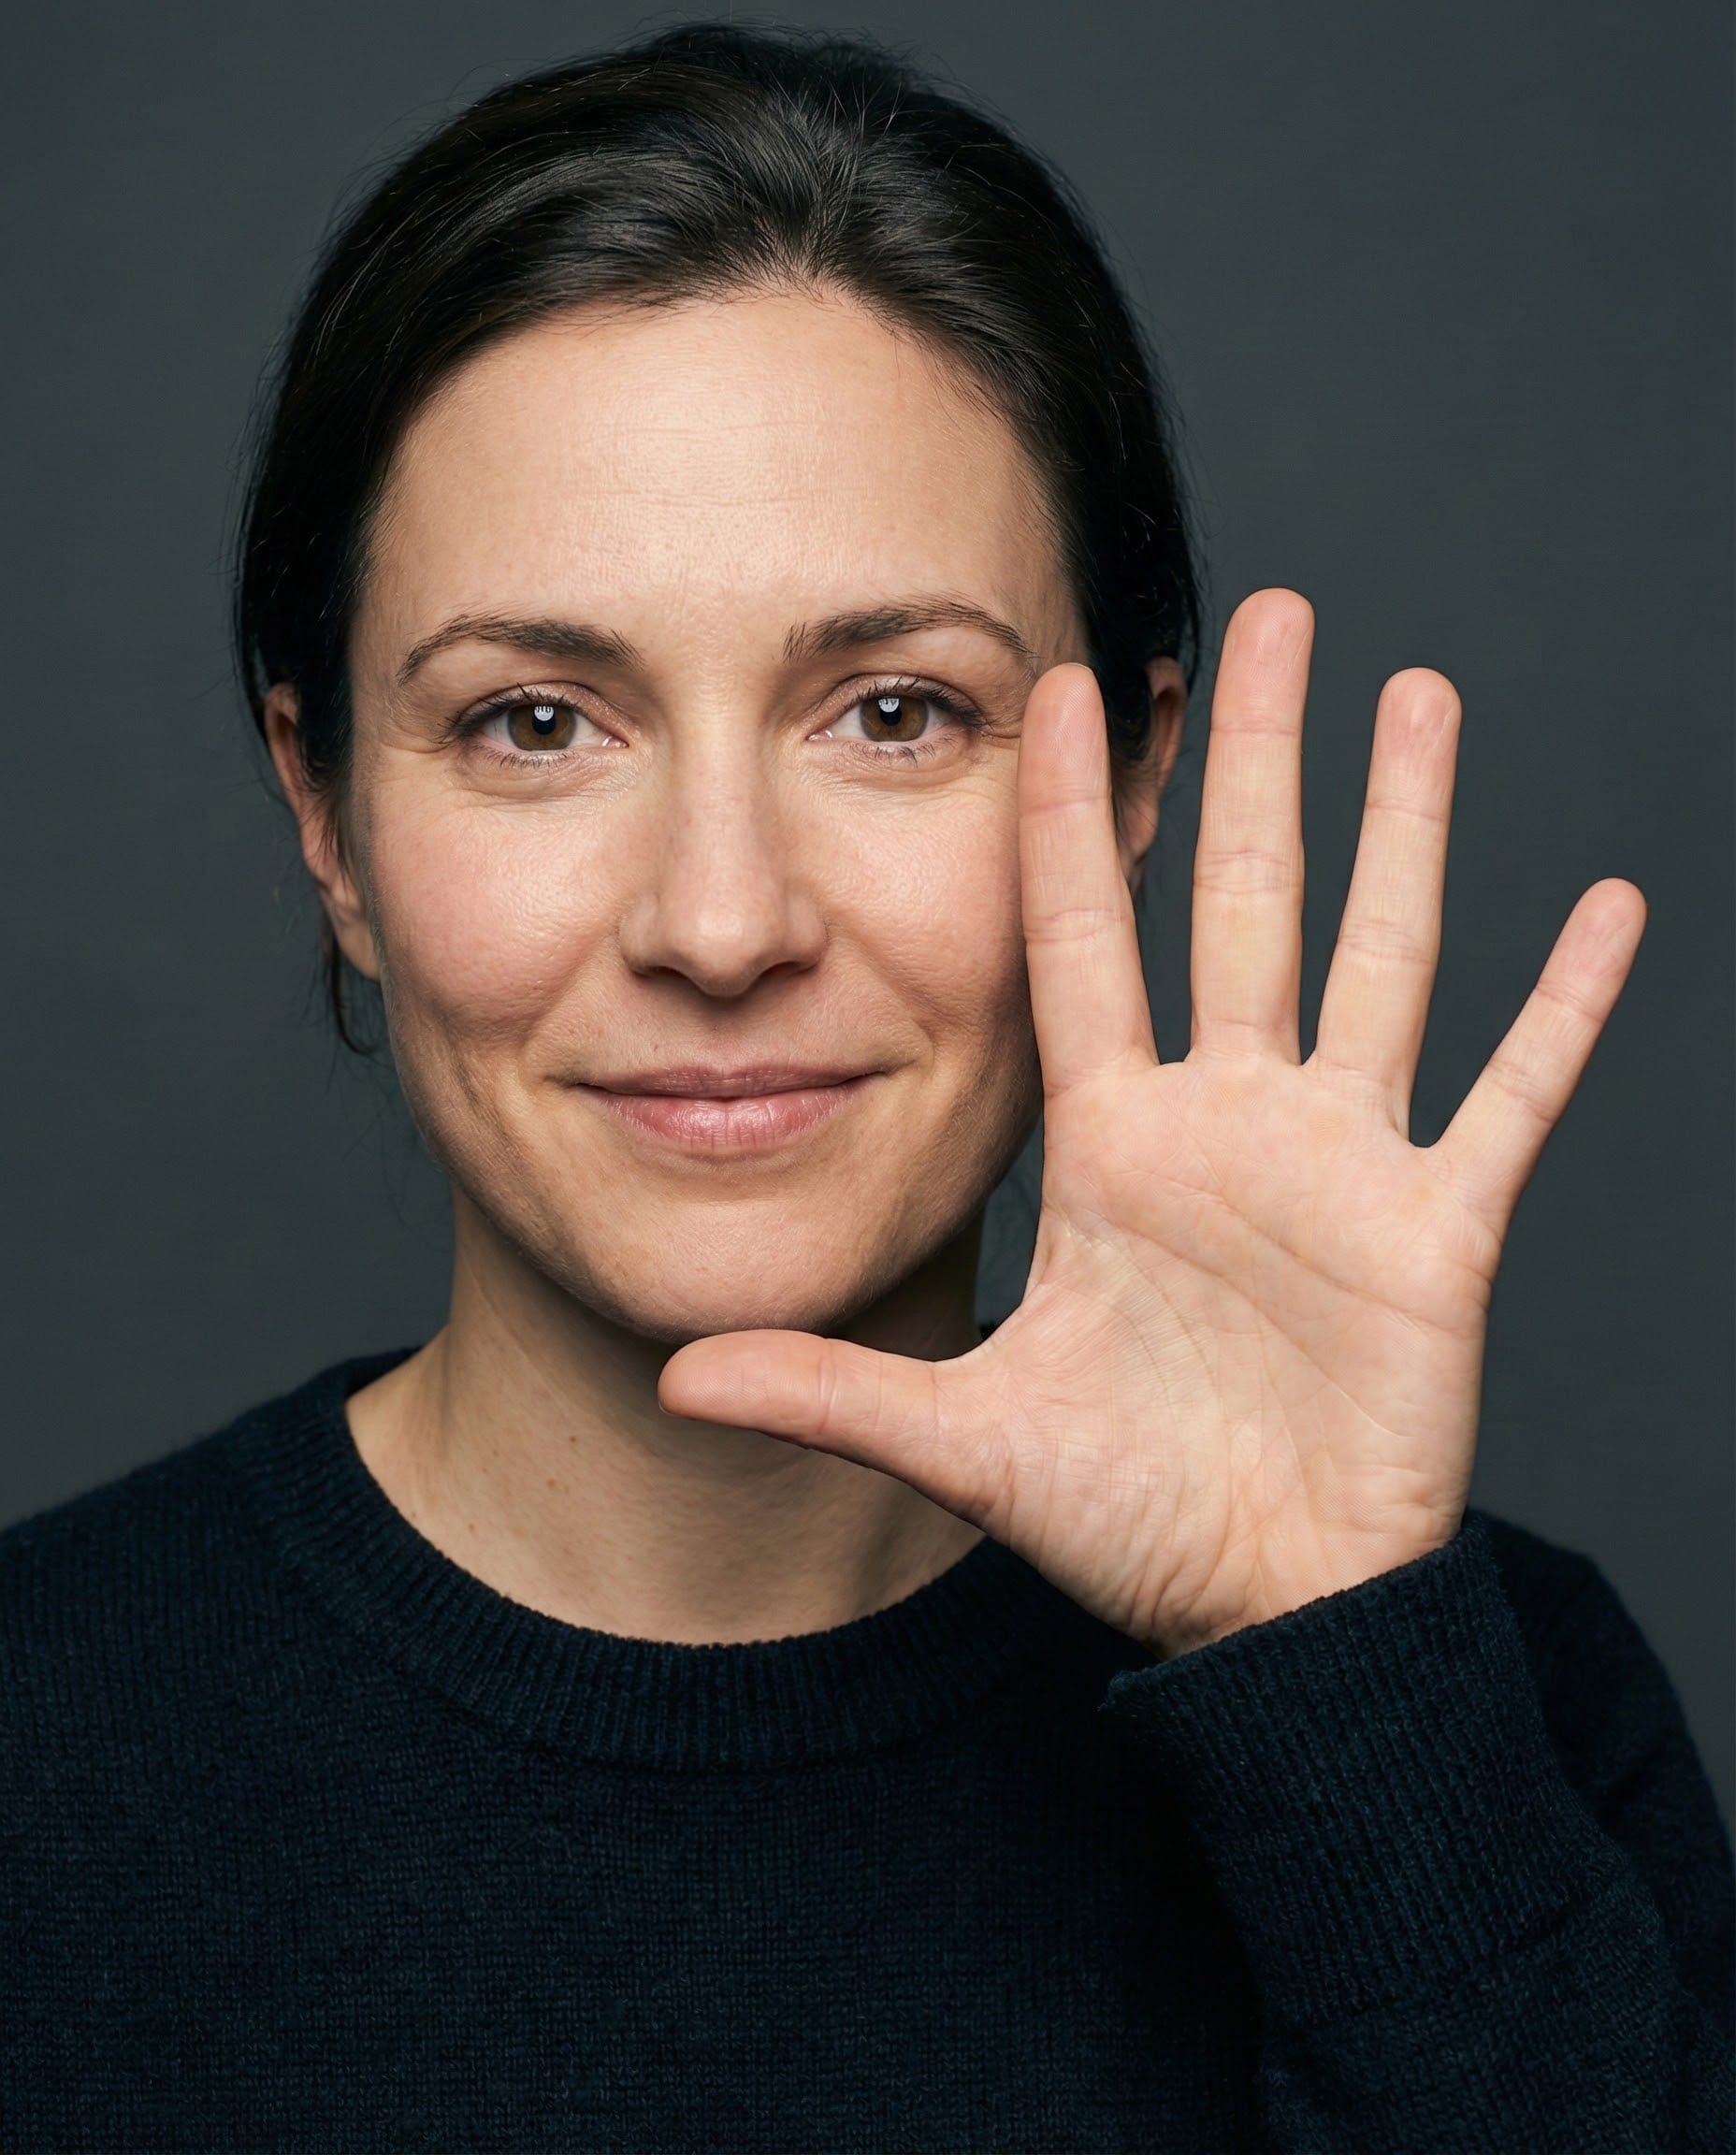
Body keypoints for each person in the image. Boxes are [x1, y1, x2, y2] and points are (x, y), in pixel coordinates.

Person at [1, 21, 1729, 2151]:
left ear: (1128, 784)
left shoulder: (1493, 1718)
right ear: (330, 818)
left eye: (894, 711)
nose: (721, 924)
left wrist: (1331, 1677)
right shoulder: (35, 1743)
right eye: (537, 722)